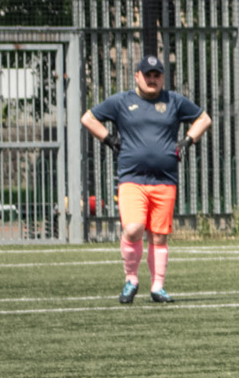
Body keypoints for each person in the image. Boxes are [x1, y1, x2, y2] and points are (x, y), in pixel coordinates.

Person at [81, 54, 211, 304]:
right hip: (132, 178)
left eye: (157, 75)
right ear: (137, 76)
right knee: (133, 228)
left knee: (159, 236)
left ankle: (158, 287)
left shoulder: (174, 101)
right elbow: (88, 118)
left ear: (162, 78)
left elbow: (204, 119)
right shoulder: (122, 101)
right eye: (147, 74)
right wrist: (109, 138)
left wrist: (187, 140)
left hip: (165, 179)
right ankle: (131, 280)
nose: (152, 79)